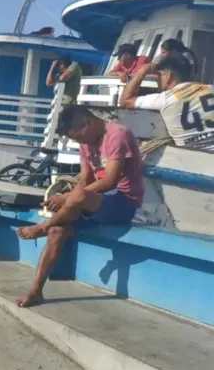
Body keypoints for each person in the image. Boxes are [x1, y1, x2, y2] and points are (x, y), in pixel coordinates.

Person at [15, 106, 144, 307]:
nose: (80, 142)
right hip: (94, 204)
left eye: (78, 137)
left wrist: (67, 197)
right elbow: (85, 178)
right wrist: (68, 197)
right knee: (58, 231)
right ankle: (35, 291)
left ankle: (43, 226)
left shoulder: (118, 134)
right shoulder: (86, 143)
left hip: (123, 202)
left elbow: (109, 180)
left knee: (75, 198)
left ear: (87, 123)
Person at [119, 52, 214, 151]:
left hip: (192, 157)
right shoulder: (210, 88)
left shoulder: (165, 99)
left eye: (159, 74)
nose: (157, 78)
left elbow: (125, 101)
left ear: (168, 76)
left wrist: (142, 71)